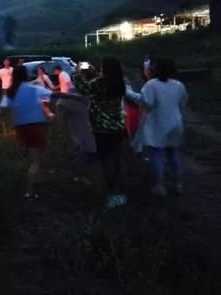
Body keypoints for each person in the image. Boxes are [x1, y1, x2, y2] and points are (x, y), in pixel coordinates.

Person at [75, 57, 127, 209]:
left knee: (106, 160)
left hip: (102, 128)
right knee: (115, 158)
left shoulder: (99, 83)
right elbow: (99, 85)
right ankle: (117, 188)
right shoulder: (119, 82)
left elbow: (83, 88)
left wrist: (77, 72)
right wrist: (93, 73)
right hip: (117, 126)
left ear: (105, 69)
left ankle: (113, 195)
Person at [0, 65, 54, 198]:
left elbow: (0, 109)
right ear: (26, 75)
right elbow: (54, 94)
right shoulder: (34, 89)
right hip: (34, 127)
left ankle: (26, 182)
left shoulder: (12, 91)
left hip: (20, 128)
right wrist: (76, 97)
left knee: (29, 155)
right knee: (36, 160)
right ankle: (30, 191)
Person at [136, 58, 188, 196]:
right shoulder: (179, 85)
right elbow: (183, 103)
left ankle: (159, 186)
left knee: (156, 155)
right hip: (175, 124)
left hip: (156, 124)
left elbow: (146, 103)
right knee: (173, 154)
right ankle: (178, 184)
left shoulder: (151, 85)